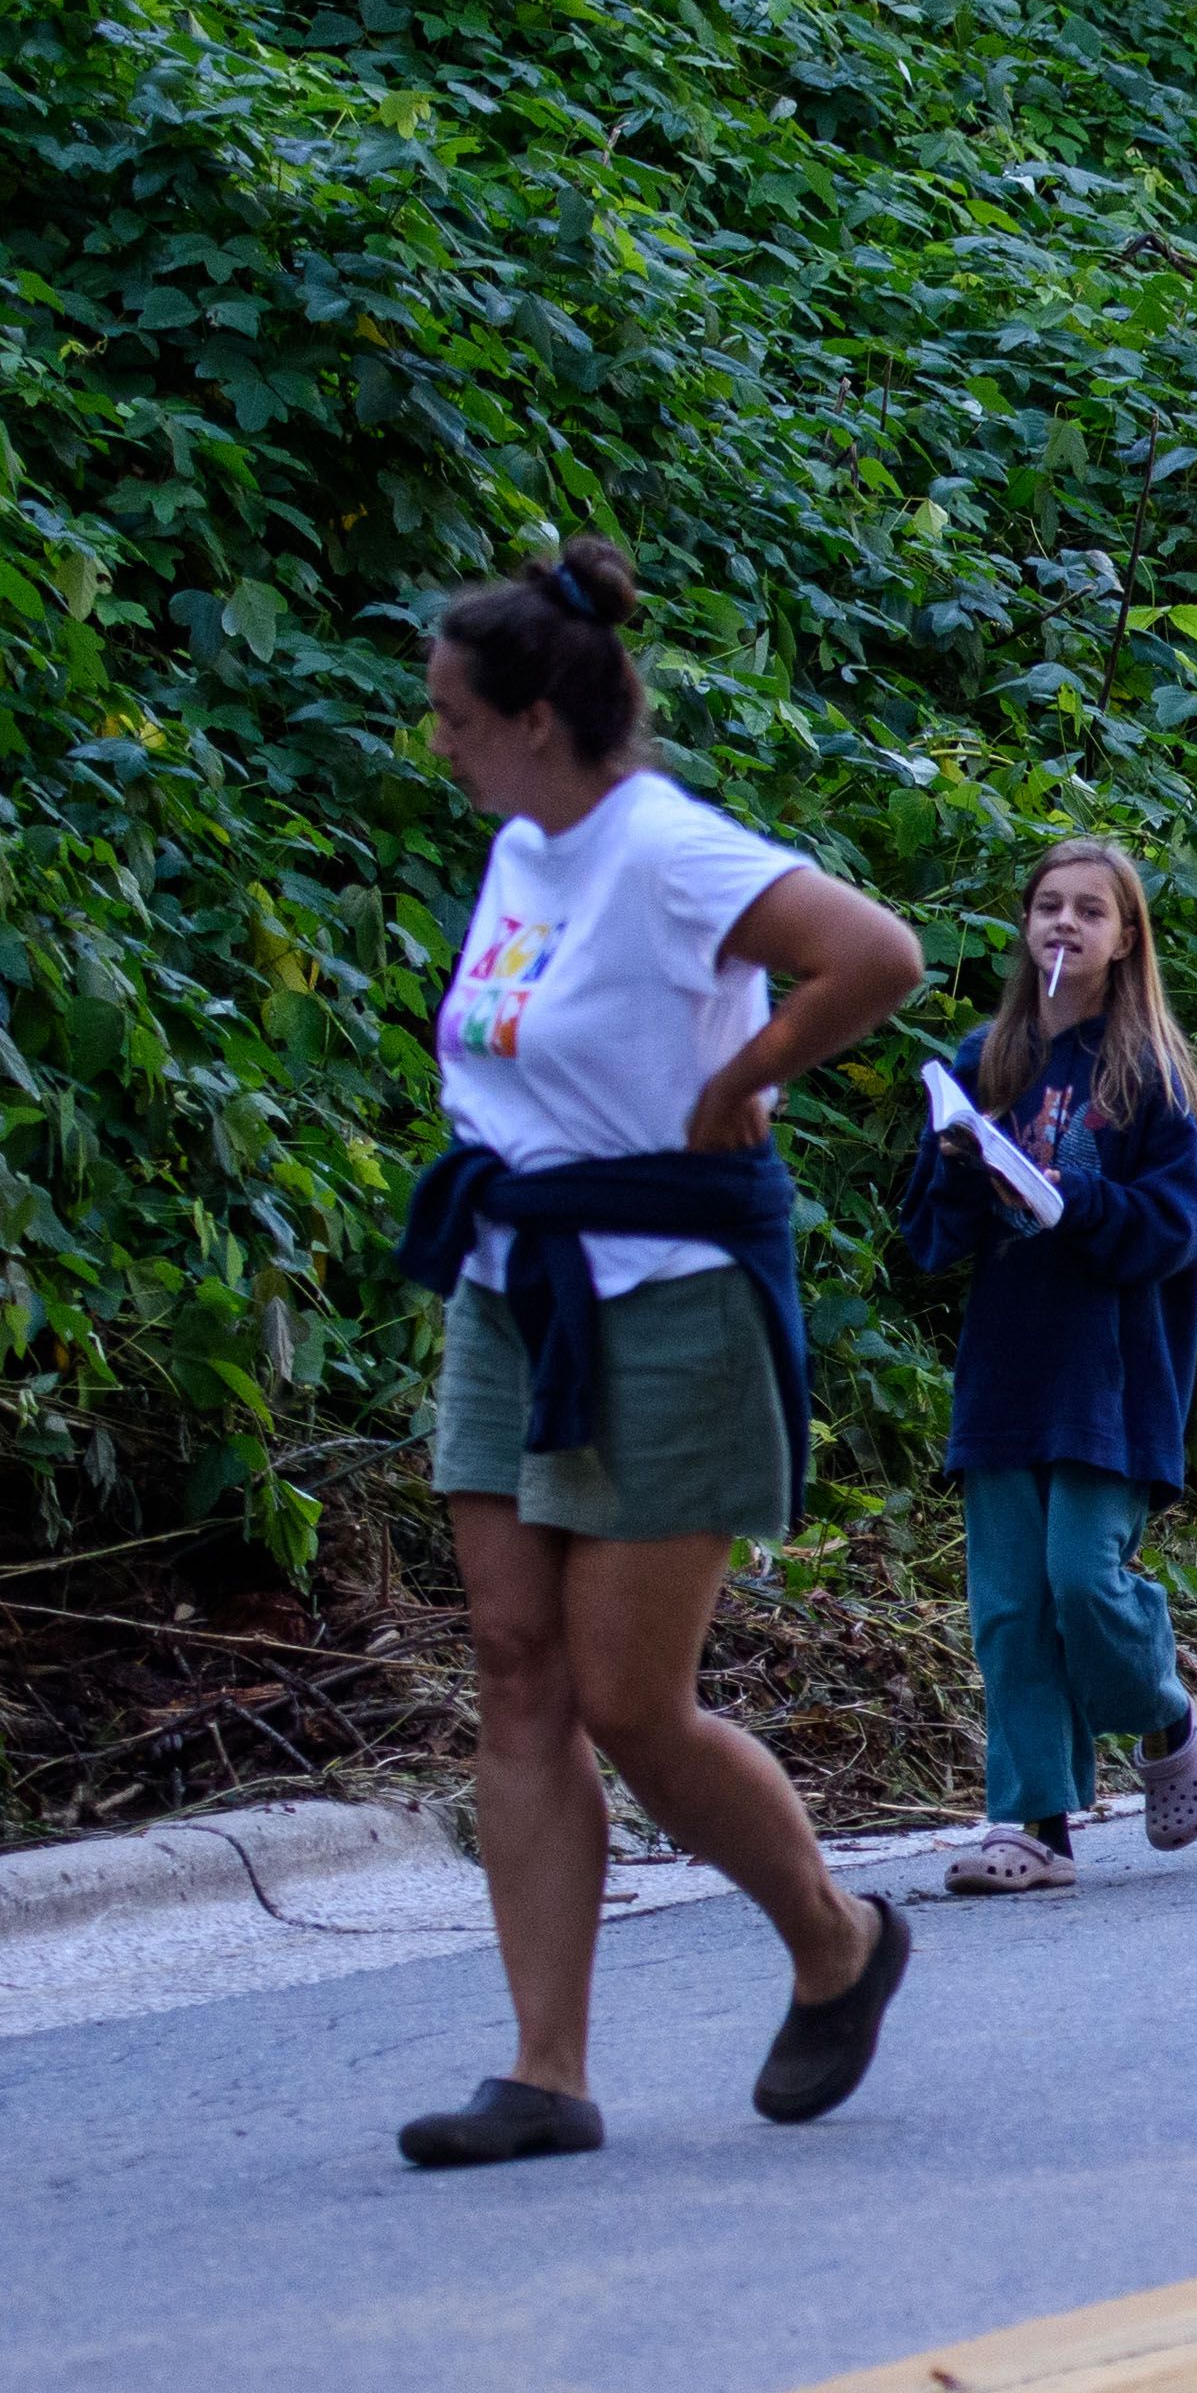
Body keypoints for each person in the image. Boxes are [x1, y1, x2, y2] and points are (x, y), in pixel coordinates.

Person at [385, 541, 931, 2170]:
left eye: (454, 716)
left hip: (664, 1293)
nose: (440, 742)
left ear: (539, 720)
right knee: (512, 1663)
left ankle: (836, 1938)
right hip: (514, 1282)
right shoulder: (523, 847)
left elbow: (876, 955)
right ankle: (544, 2071)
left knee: (630, 1698)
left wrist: (738, 1076)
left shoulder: (663, 850)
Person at [897, 838, 1197, 1895]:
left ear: (1126, 940)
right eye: (1047, 907)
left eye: (1090, 910)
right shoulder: (982, 1058)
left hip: (1109, 1380)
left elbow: (1174, 1229)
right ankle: (1031, 1825)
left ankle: (1162, 1710)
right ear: (1023, 926)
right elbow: (930, 1240)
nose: (1064, 925)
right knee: (1008, 1604)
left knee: (1082, 1580)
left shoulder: (1150, 1078)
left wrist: (1068, 1196)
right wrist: (960, 1166)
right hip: (1006, 1374)